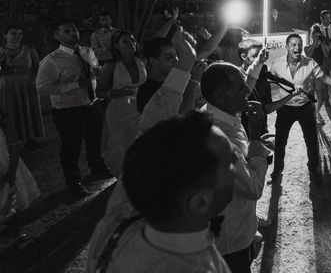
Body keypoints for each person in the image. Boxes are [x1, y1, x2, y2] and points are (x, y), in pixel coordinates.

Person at [87, 29, 235, 273]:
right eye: (230, 161)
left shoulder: (116, 224)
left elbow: (152, 127)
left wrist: (185, 65)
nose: (237, 159)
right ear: (199, 201)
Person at [200, 62, 272, 272]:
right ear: (220, 94)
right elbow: (253, 188)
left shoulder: (221, 116)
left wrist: (255, 144)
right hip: (229, 241)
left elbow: (239, 159)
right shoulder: (216, 136)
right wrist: (256, 136)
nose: (248, 91)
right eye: (241, 87)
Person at [36, 21, 112, 197]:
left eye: (74, 30)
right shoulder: (51, 61)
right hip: (68, 109)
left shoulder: (87, 51)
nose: (73, 34)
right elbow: (42, 87)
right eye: (67, 31)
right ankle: (74, 181)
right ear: (57, 36)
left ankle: (97, 167)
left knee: (94, 139)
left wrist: (98, 74)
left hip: (92, 104)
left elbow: (94, 70)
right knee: (72, 146)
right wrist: (74, 84)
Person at [269, 34, 331, 184]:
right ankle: (277, 170)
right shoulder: (277, 64)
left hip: (305, 108)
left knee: (311, 141)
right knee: (280, 141)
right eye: (293, 44)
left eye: (299, 44)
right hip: (285, 109)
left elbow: (324, 78)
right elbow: (269, 81)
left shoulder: (309, 63)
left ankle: (313, 169)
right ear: (287, 47)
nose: (297, 47)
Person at [97, 30, 147, 177]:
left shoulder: (141, 60)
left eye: (132, 40)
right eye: (126, 41)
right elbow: (99, 92)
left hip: (140, 107)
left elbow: (158, 38)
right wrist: (116, 93)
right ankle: (122, 175)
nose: (131, 44)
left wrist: (171, 21)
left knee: (141, 140)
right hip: (119, 111)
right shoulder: (111, 66)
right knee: (122, 144)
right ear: (116, 46)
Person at [0, 25, 45, 145]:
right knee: (10, 110)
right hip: (7, 86)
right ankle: (13, 140)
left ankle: (30, 138)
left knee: (28, 109)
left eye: (20, 34)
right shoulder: (1, 51)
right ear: (5, 35)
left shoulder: (29, 50)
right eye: (13, 33)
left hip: (27, 86)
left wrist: (39, 84)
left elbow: (38, 69)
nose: (17, 36)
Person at [0, 126, 40, 234]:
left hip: (7, 167)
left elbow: (16, 145)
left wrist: (12, 171)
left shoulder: (4, 122)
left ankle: (14, 225)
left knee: (11, 197)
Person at [304, 25, 329, 122]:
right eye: (315, 36)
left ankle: (316, 112)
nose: (317, 38)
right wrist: (314, 44)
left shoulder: (322, 46)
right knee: (311, 96)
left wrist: (322, 43)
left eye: (319, 36)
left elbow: (326, 55)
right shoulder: (307, 47)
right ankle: (314, 114)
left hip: (319, 71)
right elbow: (308, 55)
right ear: (311, 36)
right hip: (309, 72)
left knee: (321, 97)